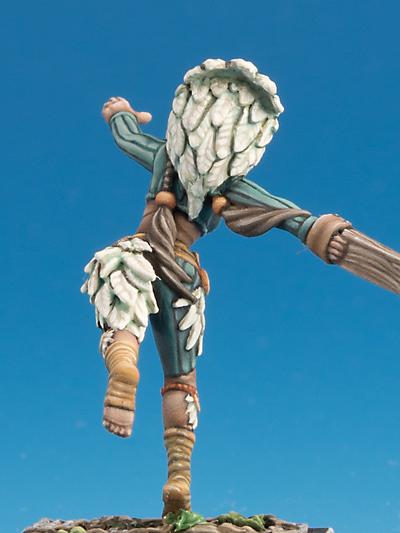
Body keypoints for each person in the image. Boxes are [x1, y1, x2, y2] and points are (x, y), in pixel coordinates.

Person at [82, 58, 385, 516]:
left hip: (140, 254)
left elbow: (127, 138)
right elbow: (290, 216)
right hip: (185, 277)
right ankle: (178, 476)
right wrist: (330, 237)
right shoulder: (232, 186)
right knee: (180, 380)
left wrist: (119, 111)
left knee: (121, 305)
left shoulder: (166, 158)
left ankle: (123, 362)